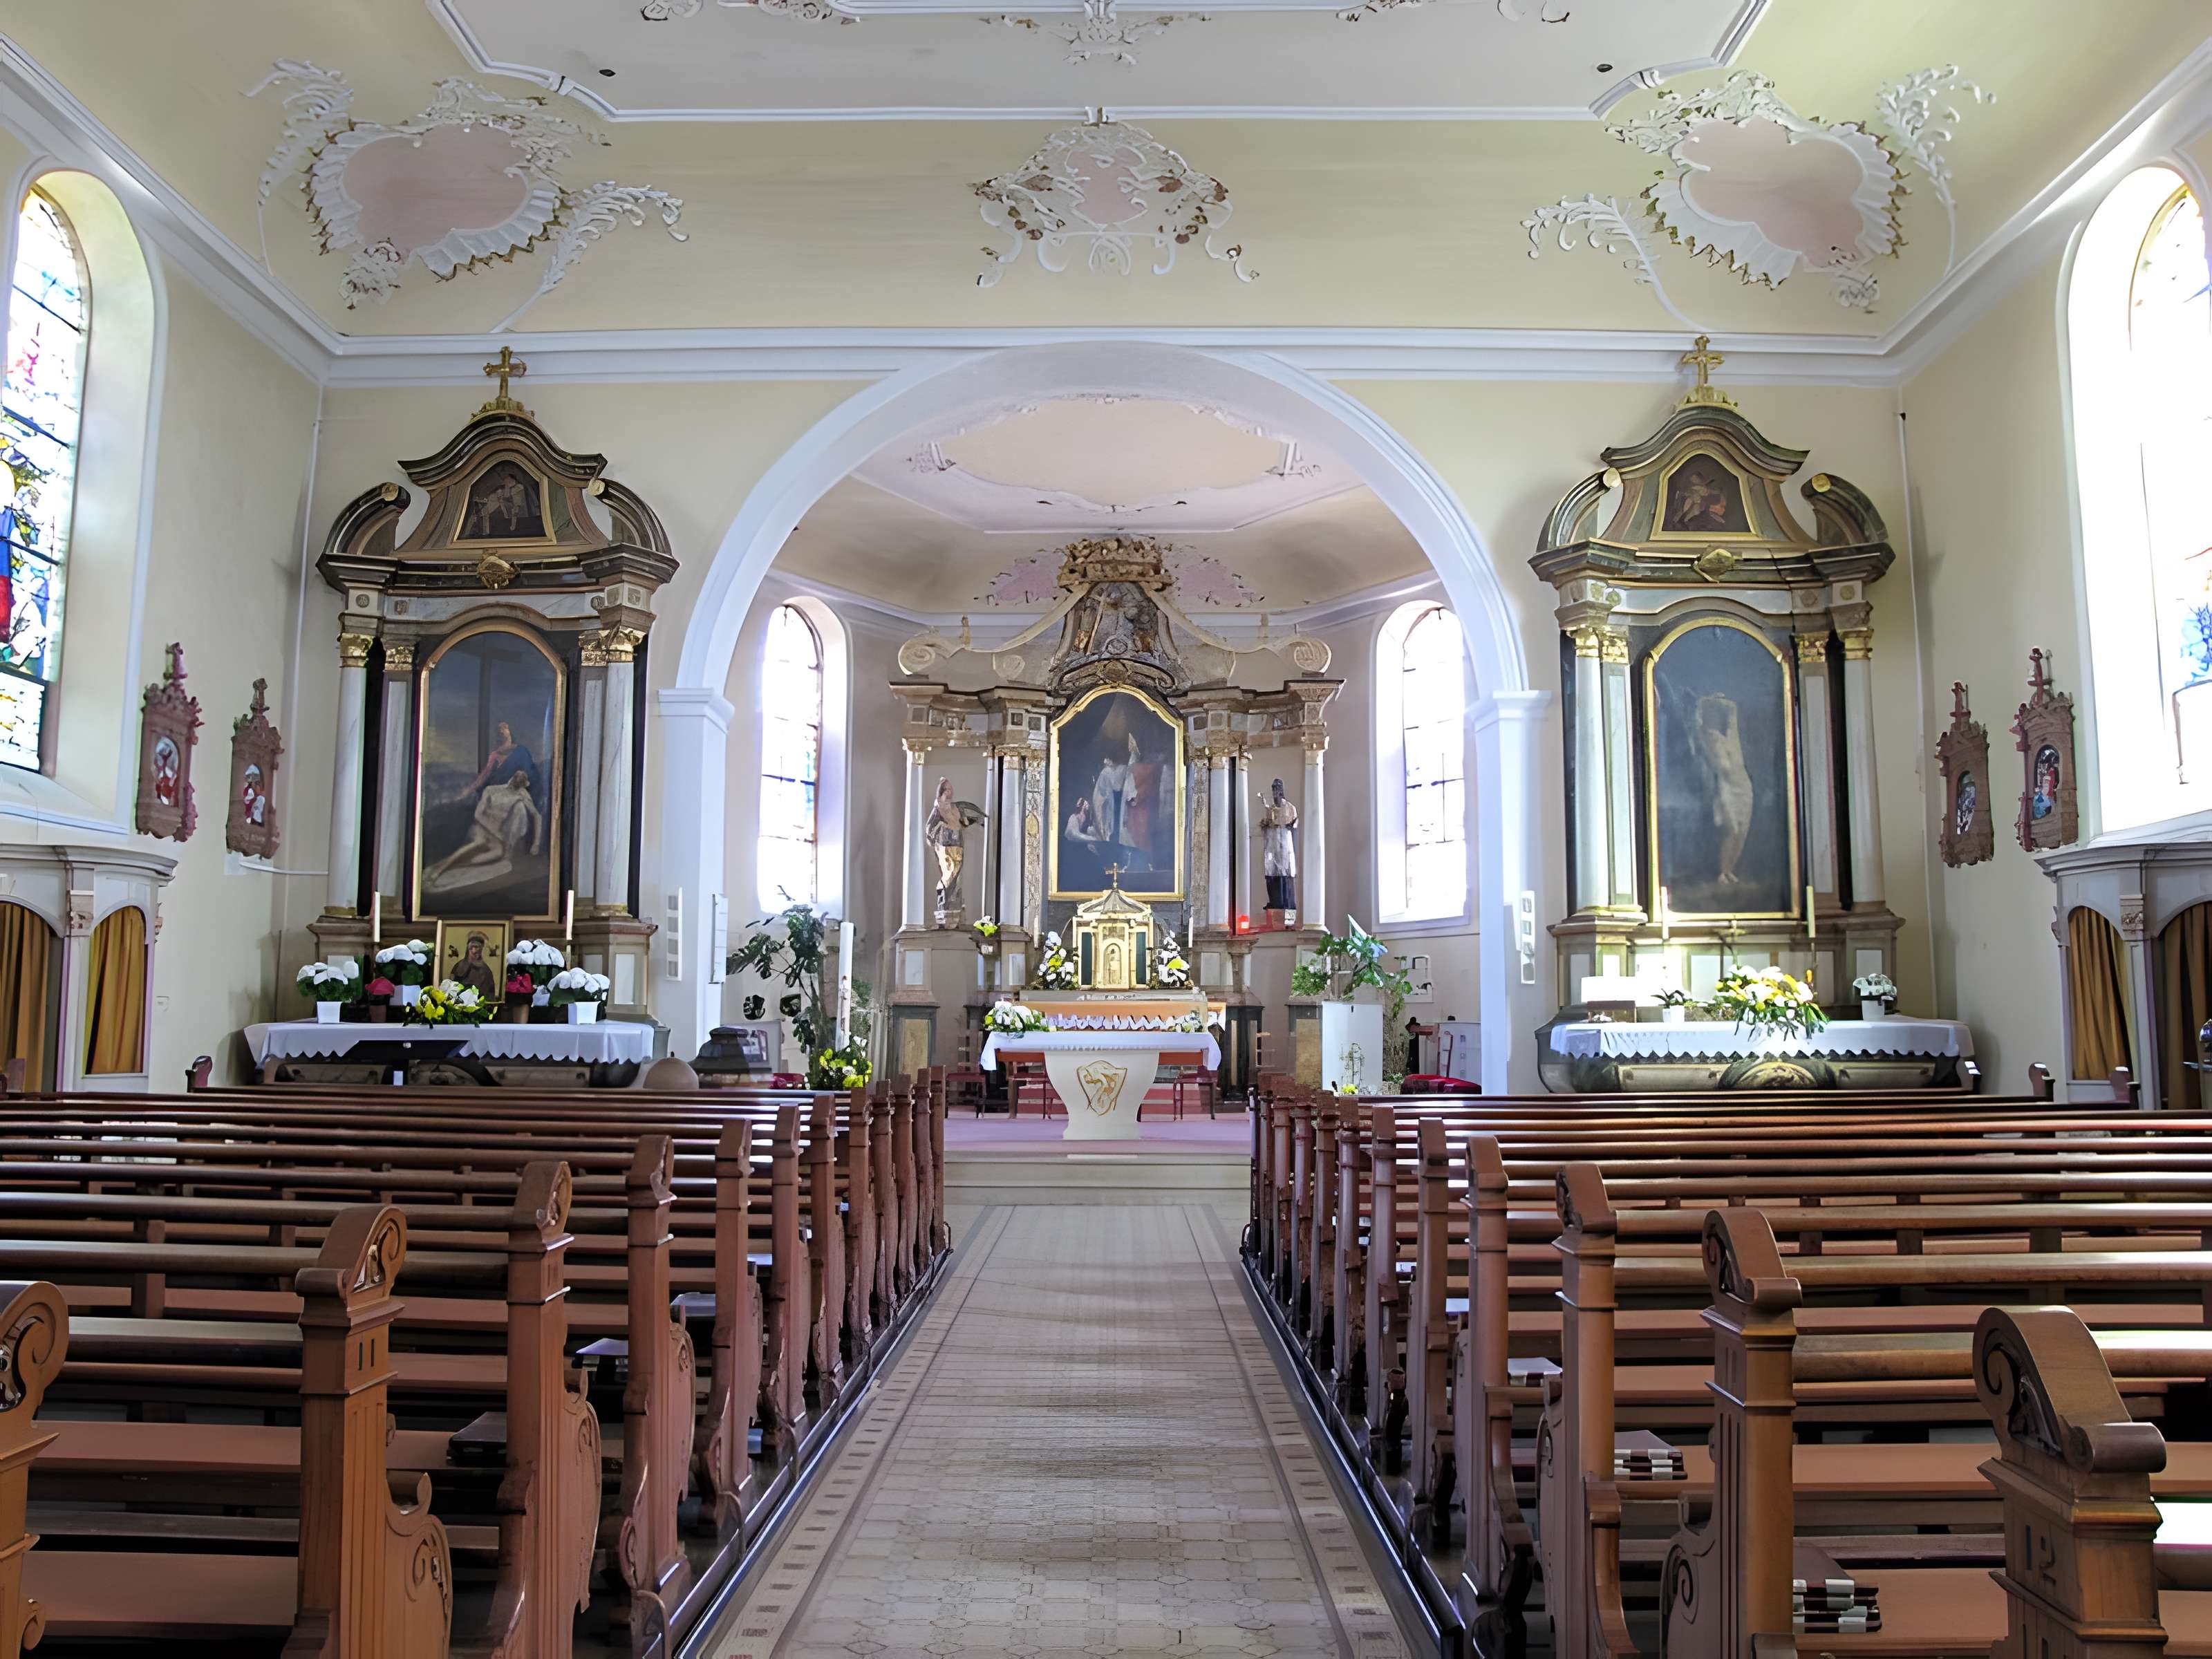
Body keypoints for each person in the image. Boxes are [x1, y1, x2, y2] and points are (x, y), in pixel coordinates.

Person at [427, 769, 543, 886]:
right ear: (511, 781)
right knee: (479, 843)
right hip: (481, 827)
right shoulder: (492, 790)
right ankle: (438, 871)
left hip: (496, 835)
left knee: (497, 853)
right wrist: (493, 831)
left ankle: (450, 865)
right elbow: (478, 814)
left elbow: (537, 815)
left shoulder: (522, 794)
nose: (517, 789)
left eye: (519, 788)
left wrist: (536, 843)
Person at [1690, 692, 1754, 891]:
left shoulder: (1730, 737)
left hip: (1743, 787)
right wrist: (1702, 702)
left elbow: (1733, 713)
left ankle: (1729, 871)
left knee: (1741, 832)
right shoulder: (1707, 737)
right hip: (1725, 788)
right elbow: (1695, 725)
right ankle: (1722, 871)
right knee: (1731, 830)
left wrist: (1721, 701)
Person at [1258, 777, 1300, 912]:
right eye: (1273, 790)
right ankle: (1275, 904)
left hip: (1284, 849)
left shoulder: (1290, 808)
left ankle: (1287, 908)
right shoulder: (1270, 809)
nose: (1275, 793)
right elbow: (1267, 826)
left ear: (1281, 792)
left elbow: (1293, 826)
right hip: (1272, 849)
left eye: (1277, 790)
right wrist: (1265, 825)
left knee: (1285, 879)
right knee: (1271, 877)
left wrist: (1286, 826)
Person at [451, 934, 498, 1000]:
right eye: (471, 948)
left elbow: (490, 993)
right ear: (468, 949)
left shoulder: (486, 971)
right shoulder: (458, 966)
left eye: (477, 947)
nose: (474, 951)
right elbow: (452, 988)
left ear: (481, 950)